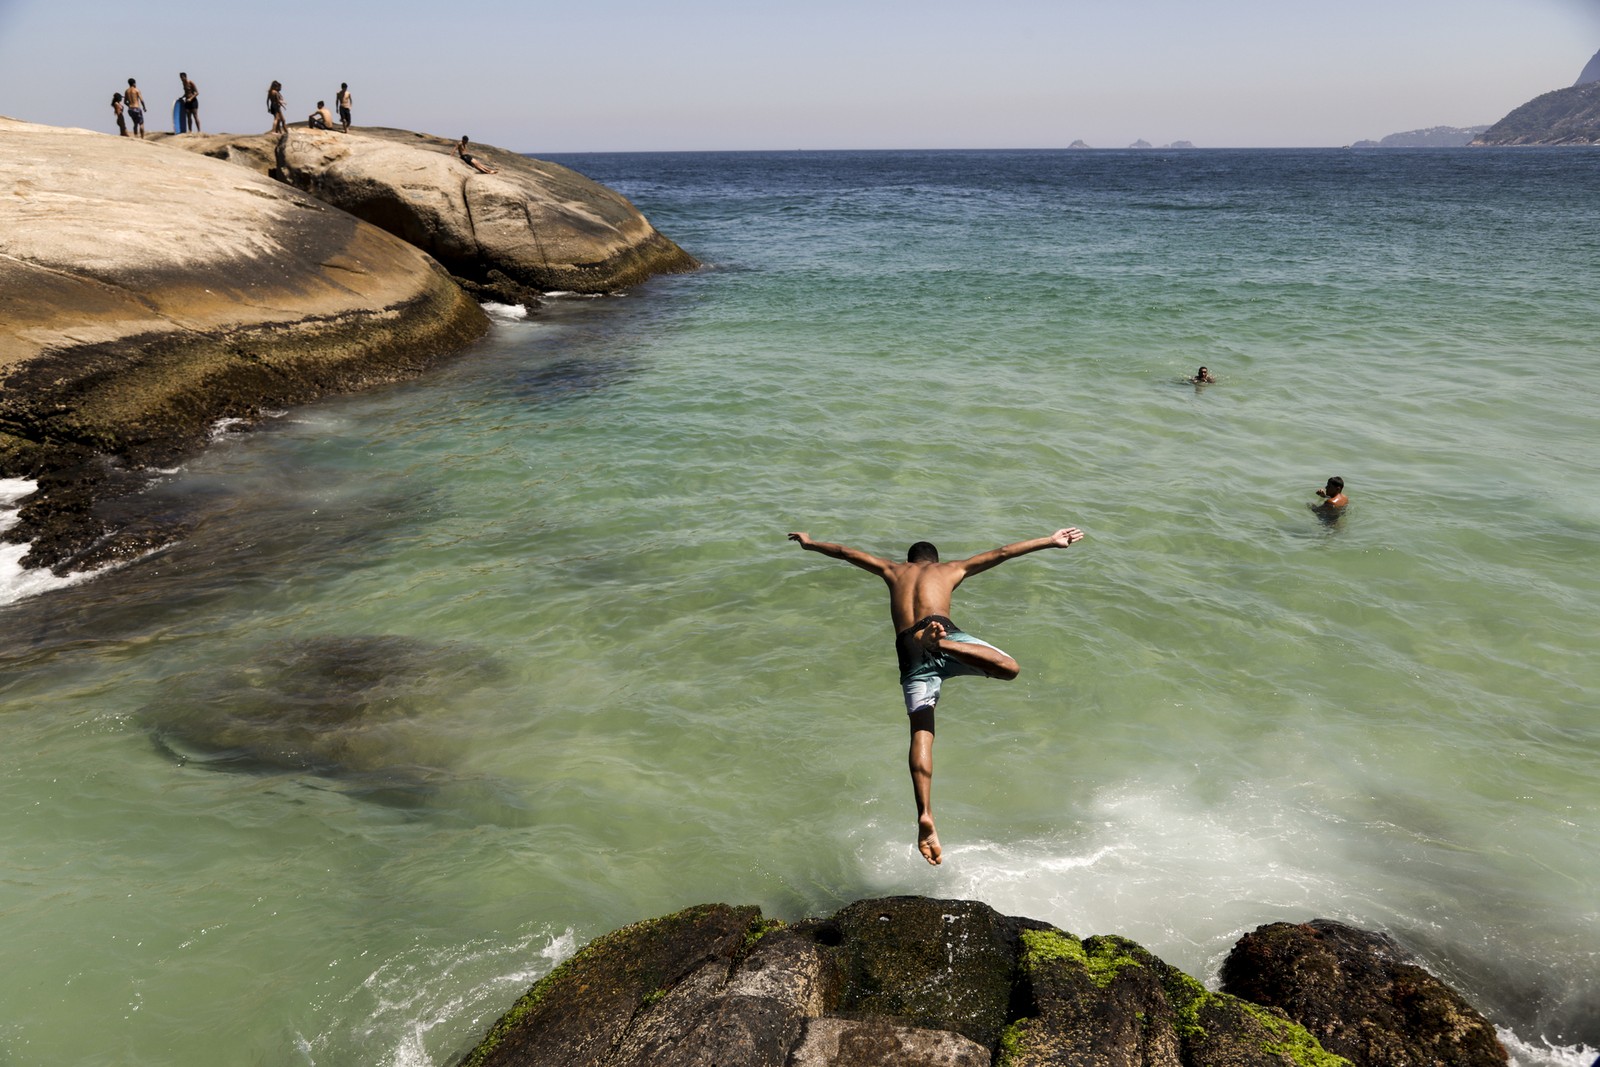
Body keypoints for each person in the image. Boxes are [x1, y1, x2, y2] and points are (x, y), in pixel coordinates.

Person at [788, 526, 1085, 866]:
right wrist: (1050, 540)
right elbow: (1002, 553)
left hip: (909, 647)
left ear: (908, 560)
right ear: (935, 560)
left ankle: (926, 815)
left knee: (921, 733)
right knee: (1009, 668)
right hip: (941, 630)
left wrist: (810, 544)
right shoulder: (950, 569)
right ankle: (942, 643)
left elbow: (845, 551)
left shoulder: (891, 569)